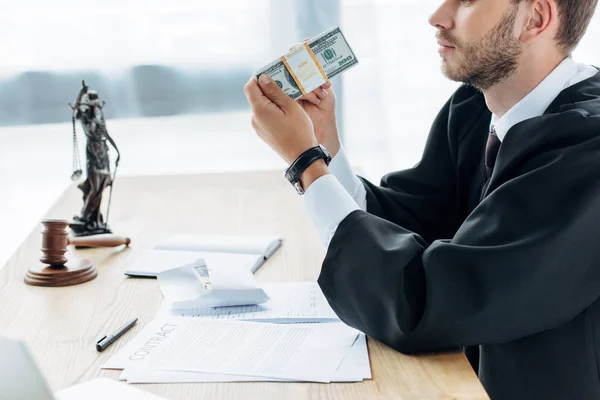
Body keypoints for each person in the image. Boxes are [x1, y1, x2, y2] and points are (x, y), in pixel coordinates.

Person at [244, 0, 600, 398]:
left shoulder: (586, 155)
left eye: (466, 2)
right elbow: (406, 226)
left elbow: (424, 303)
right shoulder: (477, 108)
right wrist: (323, 144)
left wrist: (306, 166)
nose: (437, 16)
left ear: (536, 18)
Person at [70, 81, 121, 236]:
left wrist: (118, 152)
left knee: (102, 185)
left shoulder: (99, 117)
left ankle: (95, 220)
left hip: (103, 153)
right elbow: (76, 112)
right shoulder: (85, 117)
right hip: (93, 153)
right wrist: (81, 94)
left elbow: (106, 134)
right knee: (93, 187)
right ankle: (86, 217)